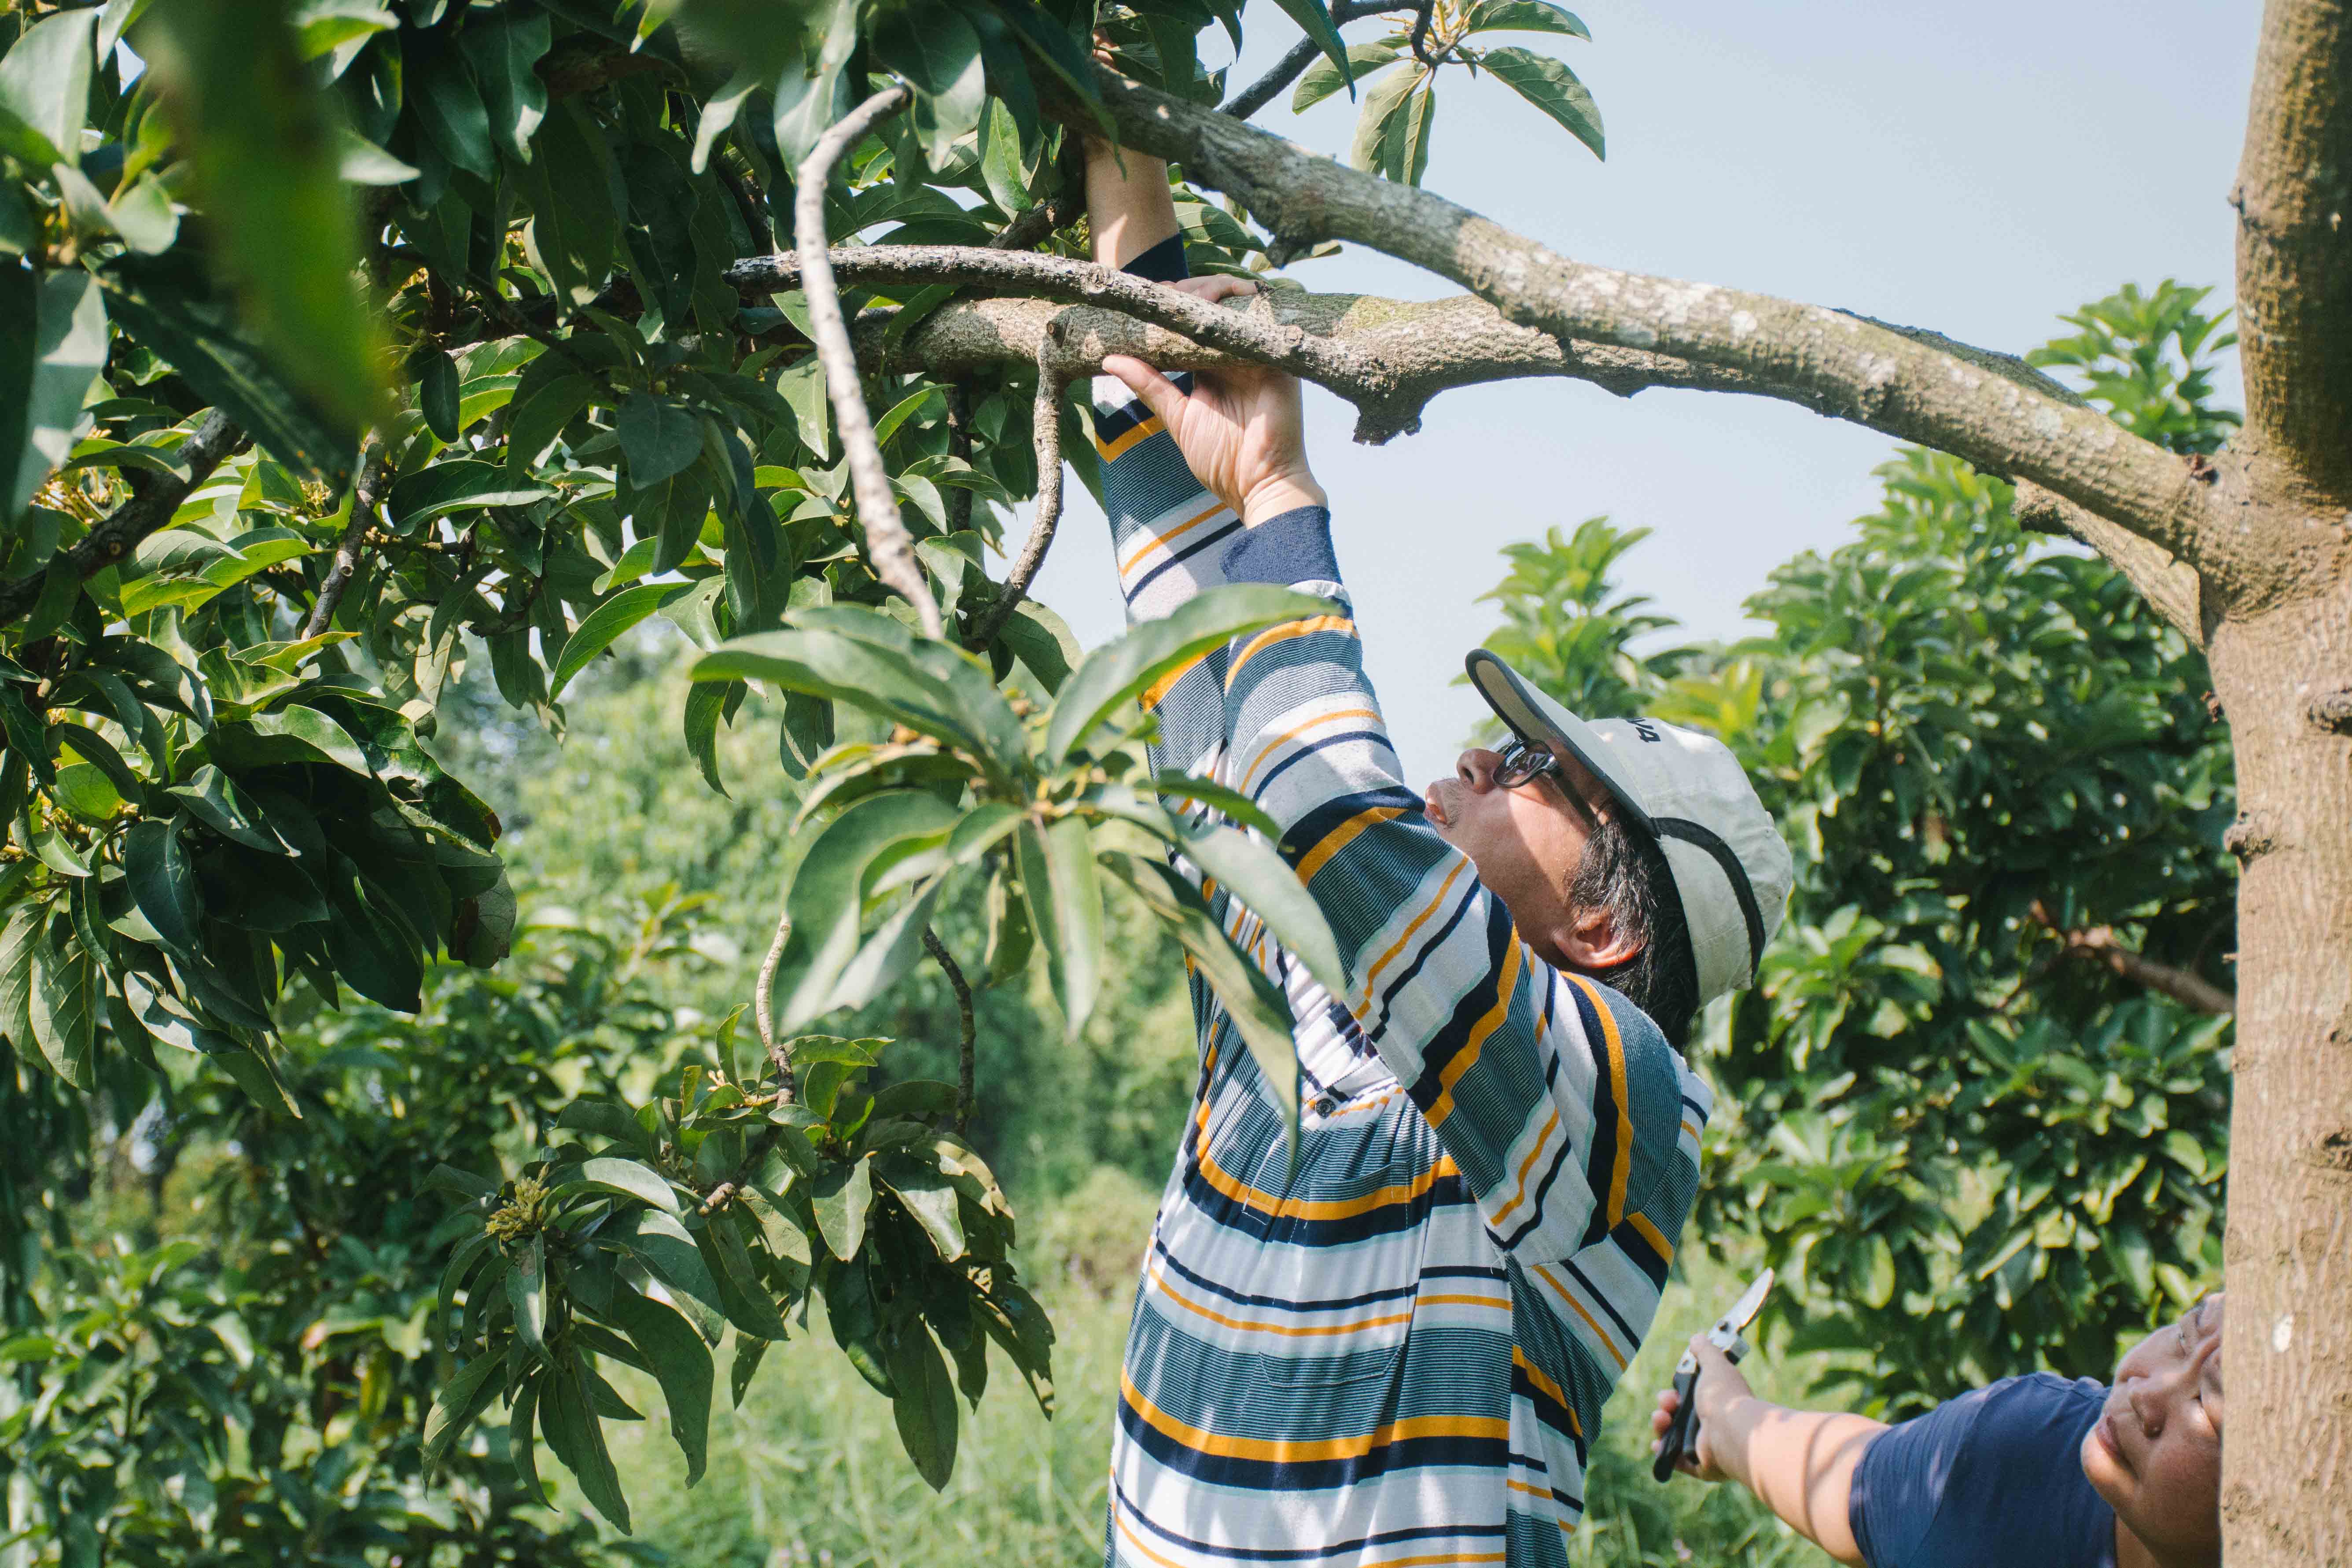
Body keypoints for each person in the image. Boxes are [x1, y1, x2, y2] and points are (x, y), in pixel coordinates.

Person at [1078, 133, 1795, 1568]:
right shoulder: (1320, 1007)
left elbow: (1326, 817)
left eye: (1535, 771)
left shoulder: (1625, 1110)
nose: (1473, 755)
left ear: (1606, 931)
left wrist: (1289, 499)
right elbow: (1198, 628)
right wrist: (1121, 147)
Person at [1647, 1292, 2225, 1568]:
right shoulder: (2018, 1459)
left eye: (2206, 1402)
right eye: (2184, 1333)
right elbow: (1859, 1487)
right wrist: (1724, 1418)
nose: (2145, 1392)